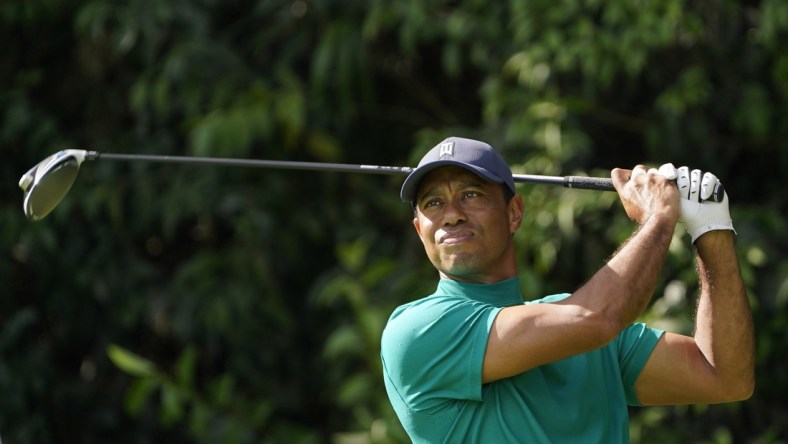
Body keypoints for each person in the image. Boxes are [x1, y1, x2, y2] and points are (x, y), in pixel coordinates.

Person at [380, 136, 754, 443]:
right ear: (419, 230)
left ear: (514, 213)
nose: (452, 213)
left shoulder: (575, 325)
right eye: (433, 202)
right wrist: (659, 216)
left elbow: (724, 377)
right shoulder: (415, 331)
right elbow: (596, 318)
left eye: (471, 194)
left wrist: (711, 229)